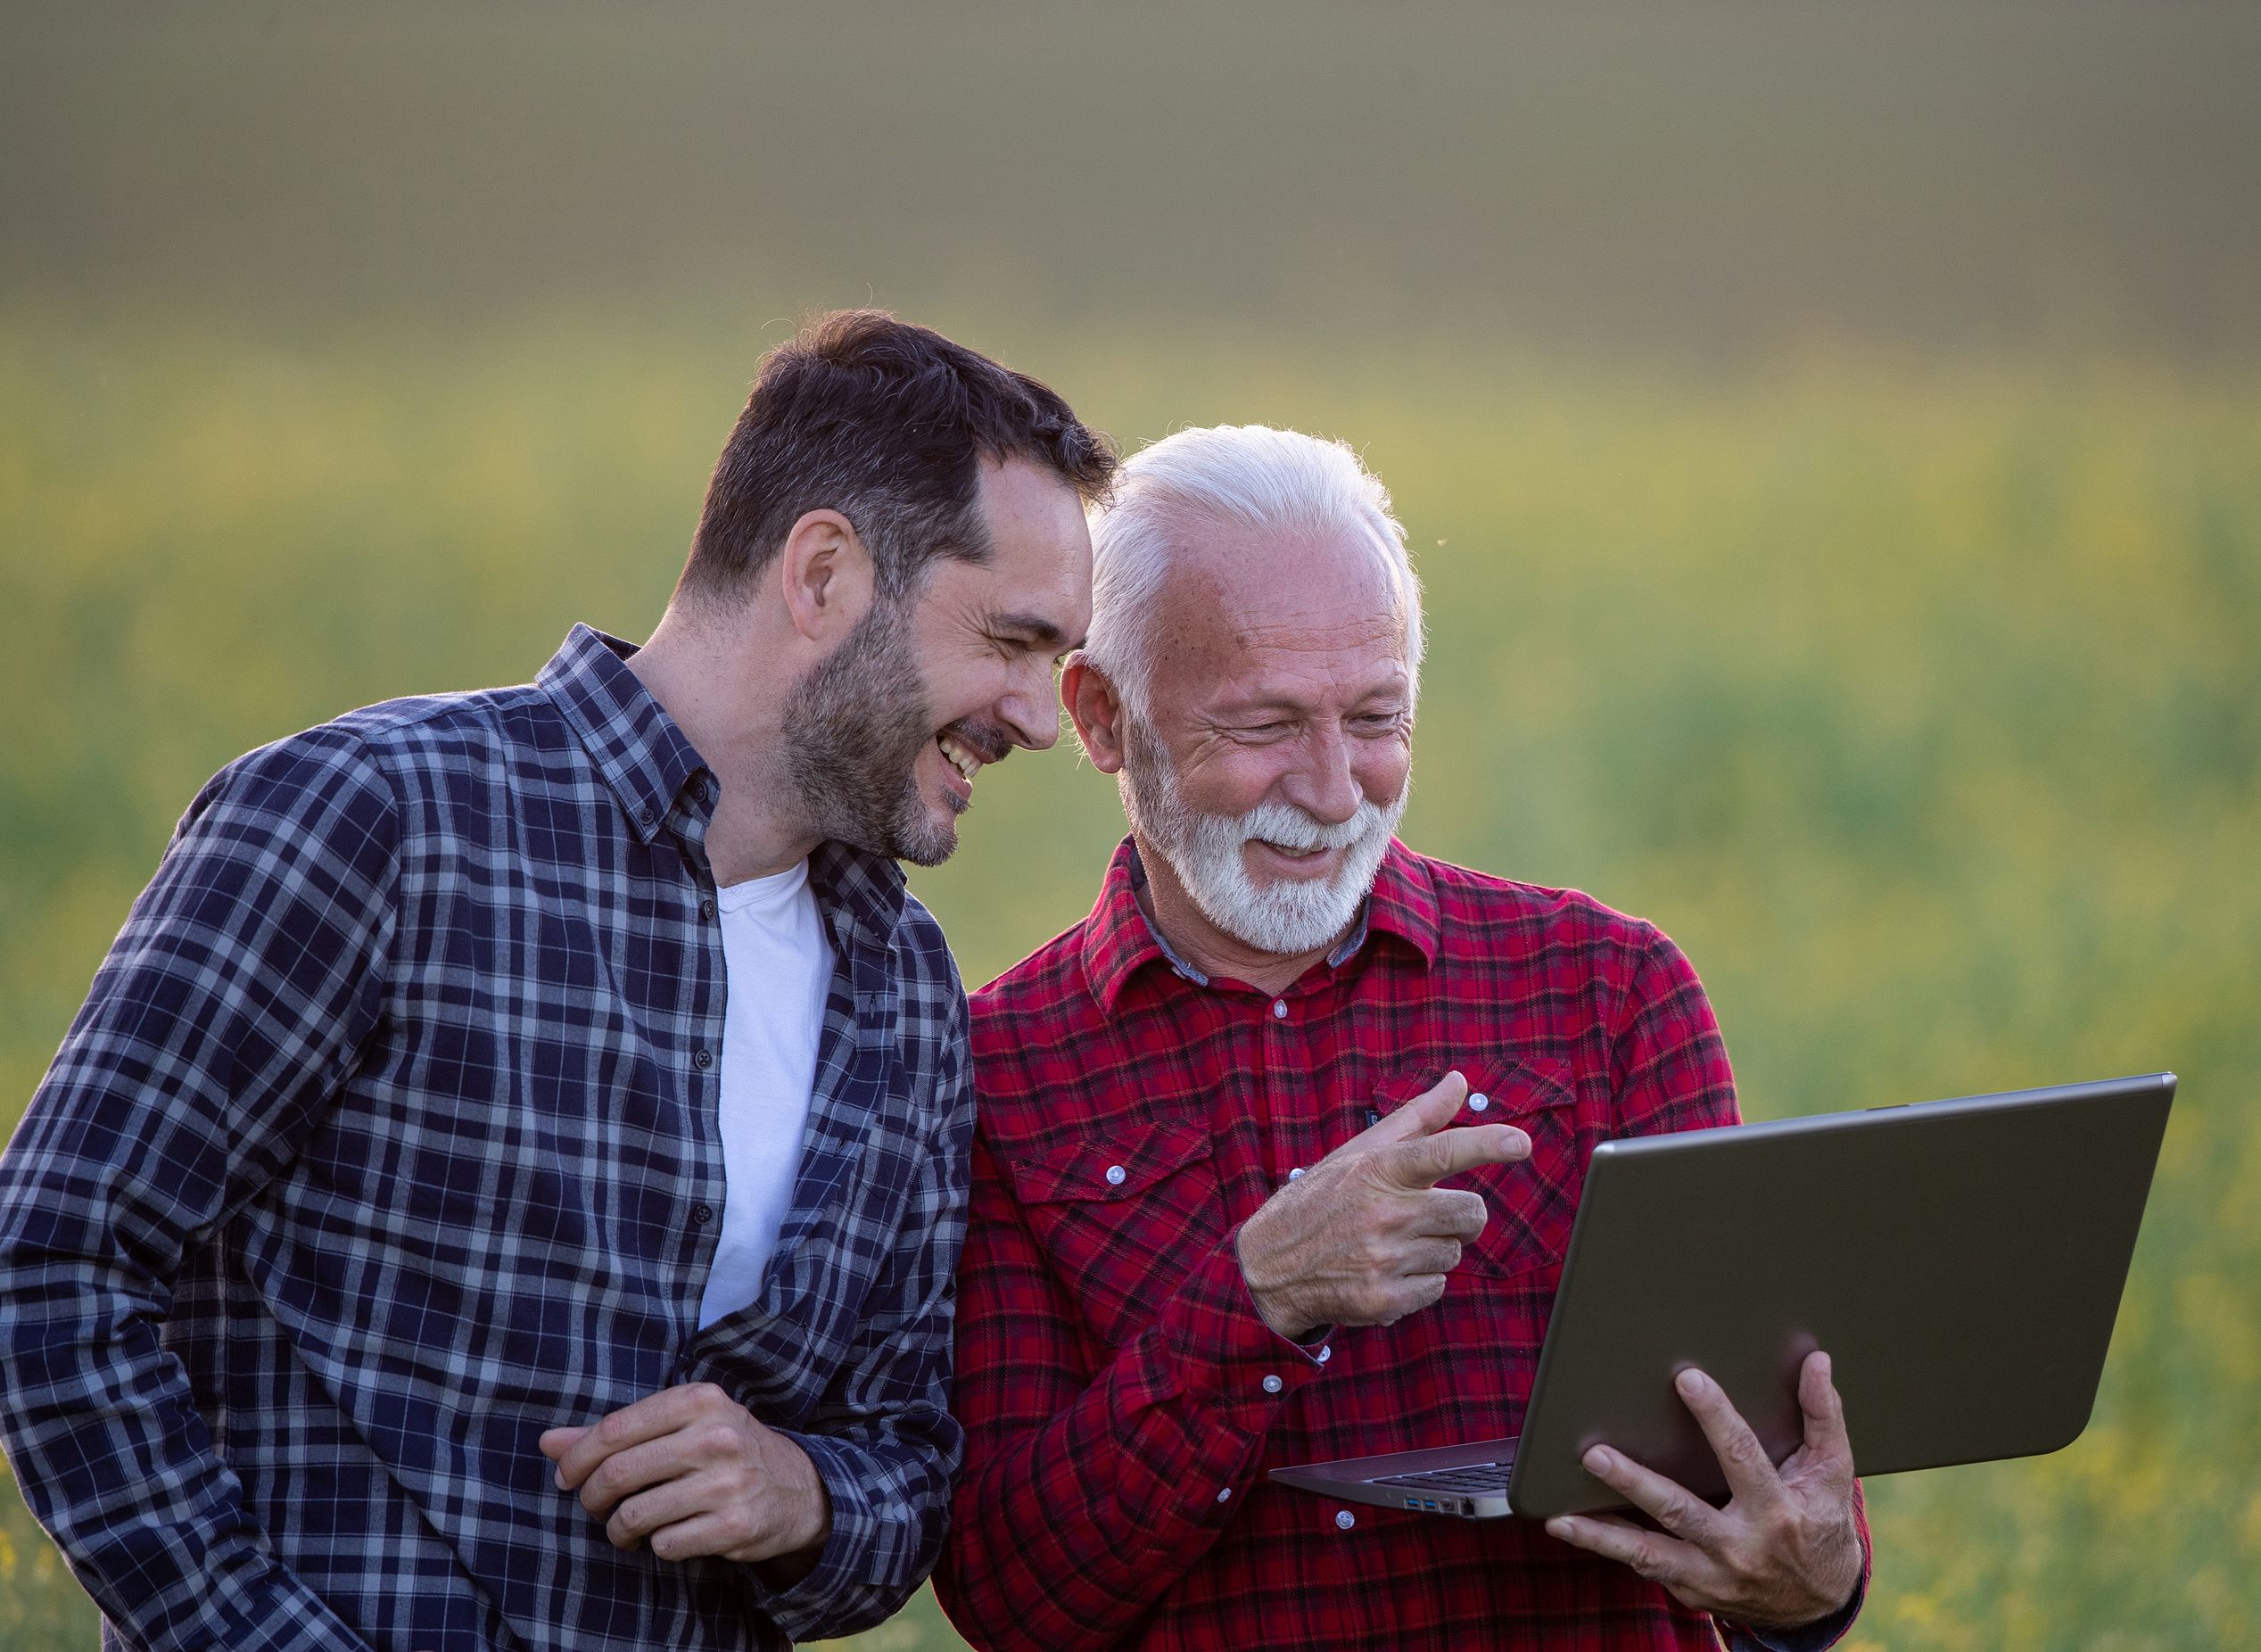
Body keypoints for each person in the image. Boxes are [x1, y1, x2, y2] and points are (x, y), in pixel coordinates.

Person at [0, 311, 1113, 1651]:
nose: (1042, 718)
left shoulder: (905, 989)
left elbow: (906, 1460)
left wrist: (800, 1493)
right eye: (1012, 640)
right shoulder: (375, 821)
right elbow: (54, 1263)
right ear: (823, 574)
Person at [933, 425, 1872, 1649]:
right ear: (1104, 719)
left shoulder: (1610, 992)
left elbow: (1773, 1485)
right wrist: (1259, 1298)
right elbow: (1013, 1593)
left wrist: (1809, 1587)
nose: (1333, 789)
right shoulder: (993, 1075)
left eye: (1376, 717)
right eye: (1265, 726)